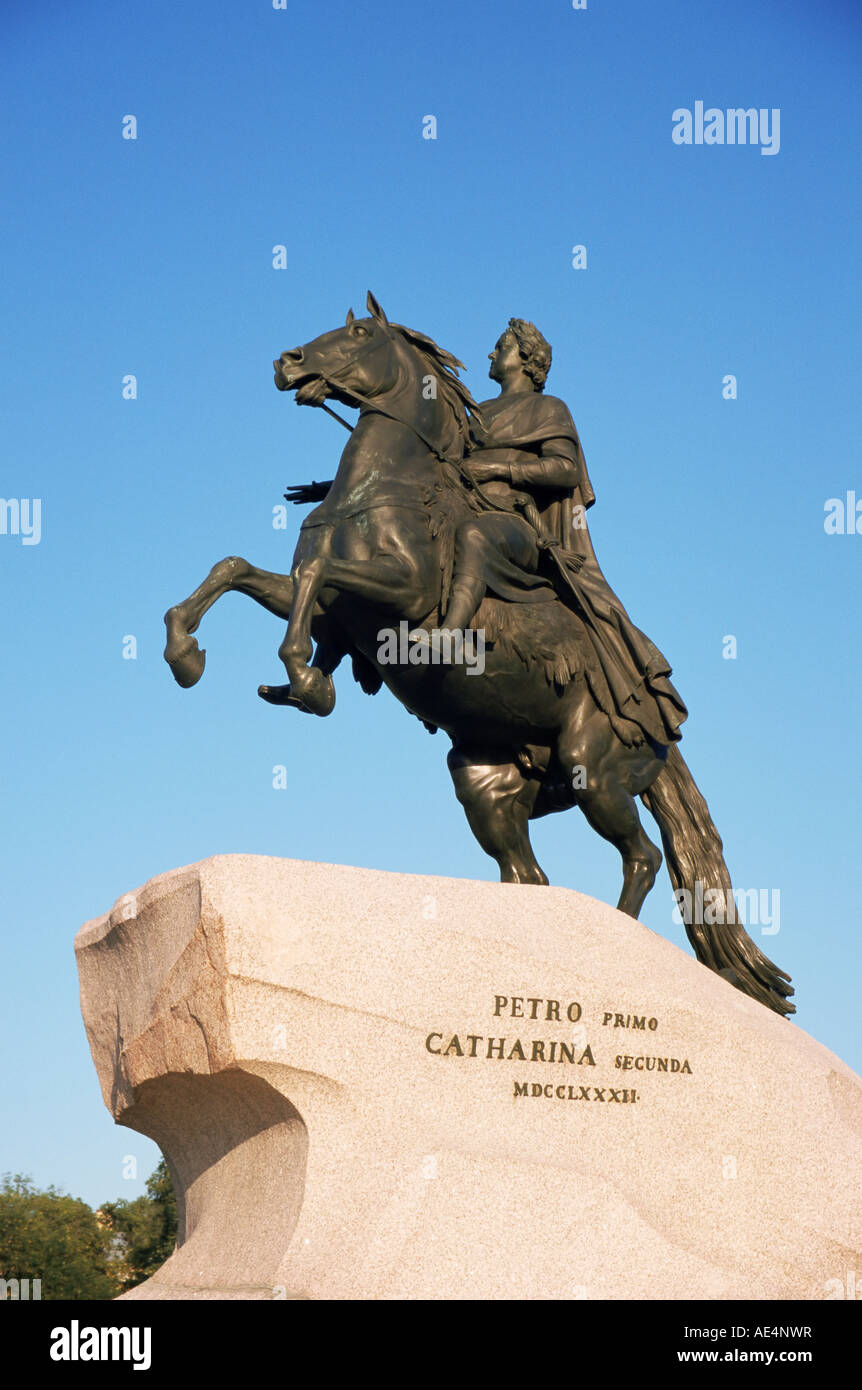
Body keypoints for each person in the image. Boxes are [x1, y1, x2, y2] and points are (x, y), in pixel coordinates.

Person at [445, 318, 687, 747]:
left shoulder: (549, 408)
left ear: (525, 358)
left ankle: (449, 638)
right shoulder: (476, 414)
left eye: (500, 346)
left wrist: (500, 467)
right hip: (468, 509)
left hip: (515, 527)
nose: (491, 354)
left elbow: (565, 468)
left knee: (475, 538)